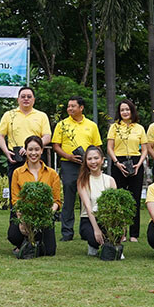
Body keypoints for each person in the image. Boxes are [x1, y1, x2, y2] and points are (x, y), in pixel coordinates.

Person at [51, 95, 101, 241]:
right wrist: (69, 156)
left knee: (90, 196)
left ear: (81, 108)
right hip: (68, 164)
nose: (70, 109)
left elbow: (97, 146)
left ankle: (89, 229)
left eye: (73, 106)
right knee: (69, 198)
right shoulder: (62, 125)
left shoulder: (91, 125)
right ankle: (67, 232)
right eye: (68, 106)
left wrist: (92, 160)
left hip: (88, 165)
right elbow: (56, 146)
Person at [7, 135, 61, 256]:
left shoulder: (52, 174)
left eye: (37, 149)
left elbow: (56, 201)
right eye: (30, 149)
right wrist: (22, 220)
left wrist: (46, 217)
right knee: (13, 236)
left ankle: (33, 243)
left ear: (42, 150)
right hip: (25, 215)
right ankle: (24, 243)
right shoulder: (17, 173)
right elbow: (15, 200)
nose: (33, 153)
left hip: (44, 215)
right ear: (25, 151)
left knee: (50, 251)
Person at [0, 86, 51, 201]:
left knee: (38, 191)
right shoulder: (9, 115)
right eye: (23, 96)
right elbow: (0, 136)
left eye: (29, 97)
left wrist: (31, 149)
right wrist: (6, 152)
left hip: (36, 158)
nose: (26, 99)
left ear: (34, 100)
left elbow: (47, 136)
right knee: (15, 192)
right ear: (18, 99)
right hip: (16, 159)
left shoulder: (41, 116)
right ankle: (15, 219)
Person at [106, 99, 147, 242]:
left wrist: (139, 164)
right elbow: (110, 147)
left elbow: (145, 149)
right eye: (122, 110)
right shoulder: (114, 127)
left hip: (136, 162)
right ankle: (121, 232)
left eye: (127, 109)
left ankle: (134, 234)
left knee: (135, 198)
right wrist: (116, 163)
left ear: (132, 111)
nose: (125, 112)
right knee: (120, 199)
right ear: (119, 112)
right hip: (119, 163)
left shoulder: (140, 128)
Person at [77, 146, 117, 256]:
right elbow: (88, 207)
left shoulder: (110, 180)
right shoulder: (82, 181)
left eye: (96, 158)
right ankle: (93, 244)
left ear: (102, 160)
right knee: (95, 237)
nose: (93, 162)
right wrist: (96, 229)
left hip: (106, 218)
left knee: (114, 235)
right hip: (88, 219)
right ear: (85, 161)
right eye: (89, 159)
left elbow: (117, 207)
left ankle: (112, 245)